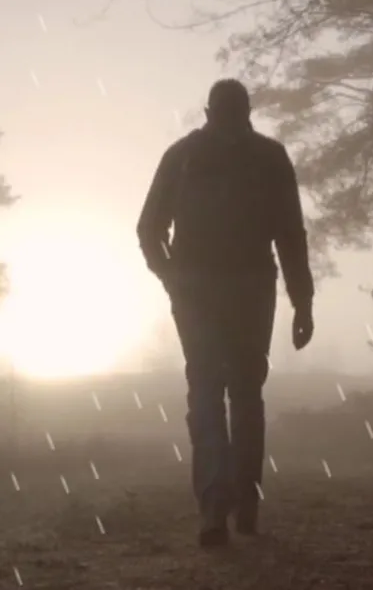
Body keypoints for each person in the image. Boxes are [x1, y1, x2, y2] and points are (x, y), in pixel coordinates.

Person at [137, 79, 314, 548]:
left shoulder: (184, 155)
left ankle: (218, 506)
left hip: (210, 289)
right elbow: (291, 237)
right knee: (241, 394)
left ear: (209, 109)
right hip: (245, 288)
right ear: (244, 110)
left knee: (212, 392)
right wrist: (303, 301)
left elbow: (148, 229)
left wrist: (172, 277)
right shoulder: (268, 156)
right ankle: (240, 505)